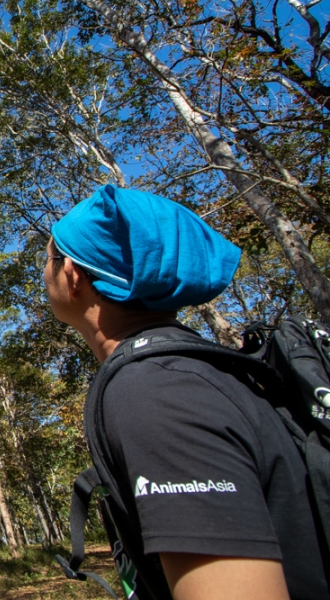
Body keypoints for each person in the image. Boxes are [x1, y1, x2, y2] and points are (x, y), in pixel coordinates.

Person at [45, 185, 329, 600]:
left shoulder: (157, 391)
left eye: (50, 257)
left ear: (72, 276)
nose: (45, 269)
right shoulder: (194, 371)